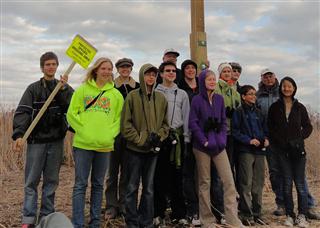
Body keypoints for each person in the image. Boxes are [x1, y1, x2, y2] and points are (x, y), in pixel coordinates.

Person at [12, 52, 73, 228]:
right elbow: (22, 112)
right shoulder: (32, 89)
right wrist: (18, 134)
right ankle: (28, 219)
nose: (51, 67)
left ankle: (47, 217)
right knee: (31, 181)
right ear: (42, 67)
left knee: (51, 182)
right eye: (47, 64)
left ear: (57, 66)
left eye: (54, 64)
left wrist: (64, 89)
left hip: (56, 141)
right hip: (36, 142)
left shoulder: (63, 88)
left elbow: (73, 107)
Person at [67, 57, 124, 228]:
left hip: (104, 146)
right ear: (96, 70)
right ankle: (77, 222)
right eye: (103, 68)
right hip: (83, 145)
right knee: (80, 184)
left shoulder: (116, 95)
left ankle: (95, 221)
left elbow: (119, 119)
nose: (106, 72)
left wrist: (109, 135)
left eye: (109, 69)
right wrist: (83, 130)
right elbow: (71, 114)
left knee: (98, 184)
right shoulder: (83, 90)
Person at [257, 69, 319, 220]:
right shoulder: (258, 96)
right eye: (265, 76)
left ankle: (307, 207)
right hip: (271, 141)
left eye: (271, 75)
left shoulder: (295, 103)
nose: (268, 78)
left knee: (299, 178)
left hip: (295, 147)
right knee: (276, 174)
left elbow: (307, 126)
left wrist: (298, 139)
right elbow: (266, 123)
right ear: (262, 78)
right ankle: (282, 205)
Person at [189, 69, 243, 228]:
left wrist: (221, 140)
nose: (212, 82)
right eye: (209, 79)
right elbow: (192, 123)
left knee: (228, 182)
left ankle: (232, 218)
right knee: (205, 182)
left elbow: (223, 122)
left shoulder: (219, 99)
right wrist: (204, 141)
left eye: (213, 79)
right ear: (202, 81)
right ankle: (207, 219)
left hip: (219, 146)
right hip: (202, 146)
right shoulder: (197, 100)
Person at [121, 63, 169, 228]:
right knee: (132, 187)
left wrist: (159, 138)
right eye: (148, 74)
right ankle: (132, 222)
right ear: (142, 76)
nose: (151, 77)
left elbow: (165, 124)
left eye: (153, 75)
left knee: (148, 189)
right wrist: (141, 139)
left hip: (152, 152)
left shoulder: (161, 98)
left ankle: (146, 221)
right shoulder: (132, 97)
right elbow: (125, 126)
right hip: (134, 151)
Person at [268, 77, 313, 228]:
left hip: (298, 152)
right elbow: (271, 128)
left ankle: (302, 215)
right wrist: (281, 142)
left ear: (294, 88)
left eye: (290, 86)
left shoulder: (300, 107)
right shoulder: (275, 107)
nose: (287, 88)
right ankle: (290, 215)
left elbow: (308, 127)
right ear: (281, 88)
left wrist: (299, 139)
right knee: (286, 184)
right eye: (284, 86)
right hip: (282, 152)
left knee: (300, 184)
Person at [153, 61, 190, 226]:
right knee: (159, 177)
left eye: (173, 71)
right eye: (167, 70)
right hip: (161, 138)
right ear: (161, 74)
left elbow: (186, 116)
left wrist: (186, 137)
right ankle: (158, 213)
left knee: (177, 177)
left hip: (177, 138)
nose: (170, 73)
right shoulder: (155, 92)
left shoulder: (181, 94)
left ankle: (179, 213)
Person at [104, 57, 139, 219]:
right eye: (122, 67)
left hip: (130, 134)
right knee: (112, 173)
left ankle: (124, 204)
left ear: (131, 69)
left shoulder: (137, 87)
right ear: (117, 69)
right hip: (113, 134)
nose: (125, 69)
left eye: (128, 67)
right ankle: (111, 206)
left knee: (127, 172)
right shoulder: (110, 87)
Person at [232, 85, 269, 226]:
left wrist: (266, 139)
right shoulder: (239, 112)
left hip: (260, 151)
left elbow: (265, 129)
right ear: (243, 96)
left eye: (254, 94)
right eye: (250, 94)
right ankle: (246, 214)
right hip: (245, 151)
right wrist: (248, 140)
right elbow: (235, 132)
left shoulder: (259, 113)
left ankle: (257, 213)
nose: (253, 96)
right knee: (245, 183)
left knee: (258, 184)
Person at [178, 59, 201, 226]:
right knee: (187, 175)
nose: (191, 70)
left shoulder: (203, 87)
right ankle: (191, 209)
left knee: (203, 175)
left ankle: (204, 209)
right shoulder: (180, 89)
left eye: (193, 68)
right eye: (187, 68)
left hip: (203, 137)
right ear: (183, 71)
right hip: (185, 136)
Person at [215, 62, 241, 180]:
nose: (227, 74)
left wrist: (235, 113)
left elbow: (239, 108)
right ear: (220, 73)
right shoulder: (215, 88)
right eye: (224, 71)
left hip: (232, 132)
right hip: (219, 131)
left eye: (229, 71)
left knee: (230, 163)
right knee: (220, 165)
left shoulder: (235, 92)